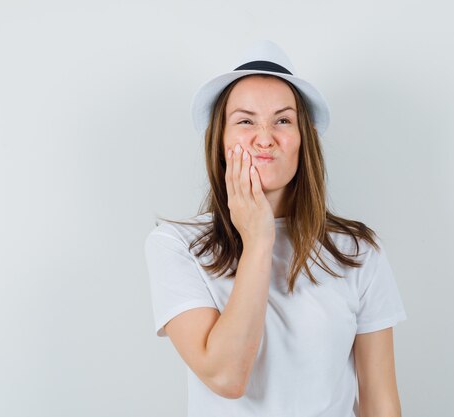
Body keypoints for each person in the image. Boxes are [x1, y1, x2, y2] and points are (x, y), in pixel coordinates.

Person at [144, 40, 408, 417]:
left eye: (282, 120)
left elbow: (380, 401)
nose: (264, 138)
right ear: (220, 141)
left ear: (303, 140)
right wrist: (259, 239)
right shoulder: (175, 246)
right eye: (245, 121)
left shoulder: (358, 251)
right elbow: (226, 376)